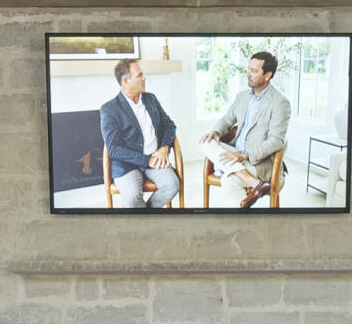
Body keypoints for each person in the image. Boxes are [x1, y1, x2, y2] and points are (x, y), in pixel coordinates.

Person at [202, 48, 294, 207]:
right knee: (205, 142)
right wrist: (216, 132)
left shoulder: (280, 103)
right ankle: (252, 181)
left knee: (229, 180)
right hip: (235, 154)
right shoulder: (242, 97)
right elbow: (227, 119)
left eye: (254, 71)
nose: (248, 74)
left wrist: (244, 154)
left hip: (258, 162)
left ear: (267, 75)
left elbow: (277, 141)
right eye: (248, 69)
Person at [96, 57, 180, 208]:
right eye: (139, 75)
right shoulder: (109, 109)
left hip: (156, 158)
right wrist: (146, 160)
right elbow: (114, 148)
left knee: (172, 185)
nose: (144, 78)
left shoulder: (151, 99)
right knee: (133, 197)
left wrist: (164, 148)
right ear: (126, 81)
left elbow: (170, 125)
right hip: (127, 164)